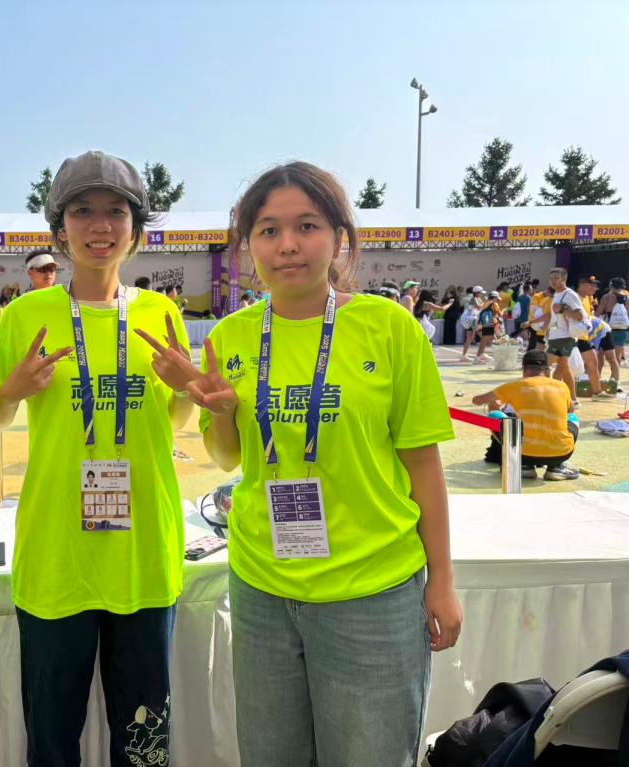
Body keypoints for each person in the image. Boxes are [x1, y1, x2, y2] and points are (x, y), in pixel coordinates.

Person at [184, 162, 460, 766]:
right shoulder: (230, 338)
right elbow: (228, 457)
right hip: (262, 587)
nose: (287, 244)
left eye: (306, 226)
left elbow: (423, 465)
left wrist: (441, 578)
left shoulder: (389, 329)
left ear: (339, 237)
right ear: (249, 246)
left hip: (373, 591)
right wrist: (224, 413)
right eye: (268, 230)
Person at [0, 150, 192, 767]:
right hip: (57, 556)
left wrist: (184, 388)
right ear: (59, 229)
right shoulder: (25, 316)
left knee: (143, 738)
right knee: (52, 738)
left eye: (116, 212)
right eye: (82, 211)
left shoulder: (160, 314)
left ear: (136, 229)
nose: (100, 226)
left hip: (142, 553)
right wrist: (10, 391)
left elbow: (173, 421)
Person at [472, 350, 579, 481]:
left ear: (523, 369)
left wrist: (495, 402)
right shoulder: (562, 386)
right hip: (561, 453)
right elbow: (571, 411)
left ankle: (524, 466)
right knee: (573, 418)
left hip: (524, 454)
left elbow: (476, 401)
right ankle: (556, 467)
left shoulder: (513, 386)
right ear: (547, 370)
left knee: (494, 415)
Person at [546, 267, 586, 406]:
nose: (553, 281)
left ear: (564, 279)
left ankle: (549, 396)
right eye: (551, 278)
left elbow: (580, 315)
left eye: (556, 278)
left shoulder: (570, 295)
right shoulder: (557, 294)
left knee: (544, 364)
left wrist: (562, 309)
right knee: (564, 368)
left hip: (564, 336)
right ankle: (573, 400)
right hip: (556, 336)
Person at [574, 275, 615, 400]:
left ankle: (597, 392)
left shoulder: (587, 298)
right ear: (583, 286)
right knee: (569, 367)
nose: (595, 288)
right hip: (574, 337)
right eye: (593, 286)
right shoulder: (574, 298)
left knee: (592, 362)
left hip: (584, 337)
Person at [598, 276, 629, 370]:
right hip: (622, 329)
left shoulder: (607, 297)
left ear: (611, 286)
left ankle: (598, 374)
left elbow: (598, 312)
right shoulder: (627, 298)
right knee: (617, 356)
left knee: (600, 354)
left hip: (608, 329)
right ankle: (615, 376)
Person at [472, 291, 502, 363]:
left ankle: (481, 355)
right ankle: (478, 357)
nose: (497, 300)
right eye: (496, 298)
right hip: (488, 324)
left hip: (483, 324)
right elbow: (499, 314)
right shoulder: (493, 304)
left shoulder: (486, 302)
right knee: (485, 341)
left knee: (486, 340)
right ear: (494, 298)